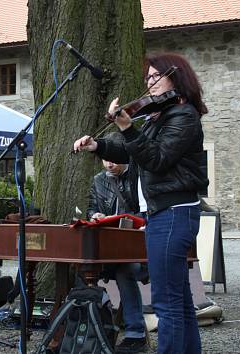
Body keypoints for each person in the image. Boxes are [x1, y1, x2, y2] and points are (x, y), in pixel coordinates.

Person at [73, 53, 208, 354]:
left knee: (166, 301)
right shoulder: (158, 116)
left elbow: (156, 159)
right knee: (179, 299)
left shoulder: (183, 116)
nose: (150, 83)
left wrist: (127, 127)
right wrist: (99, 145)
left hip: (174, 212)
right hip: (162, 214)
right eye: (147, 78)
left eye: (156, 76)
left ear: (177, 77)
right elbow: (132, 152)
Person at [85, 136, 148, 353]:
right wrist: (96, 215)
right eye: (105, 159)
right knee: (80, 268)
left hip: (136, 248)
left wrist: (129, 220)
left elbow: (145, 212)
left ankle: (135, 333)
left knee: (125, 270)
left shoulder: (139, 176)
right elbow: (90, 208)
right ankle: (86, 326)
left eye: (113, 159)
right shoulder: (98, 180)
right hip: (106, 247)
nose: (109, 163)